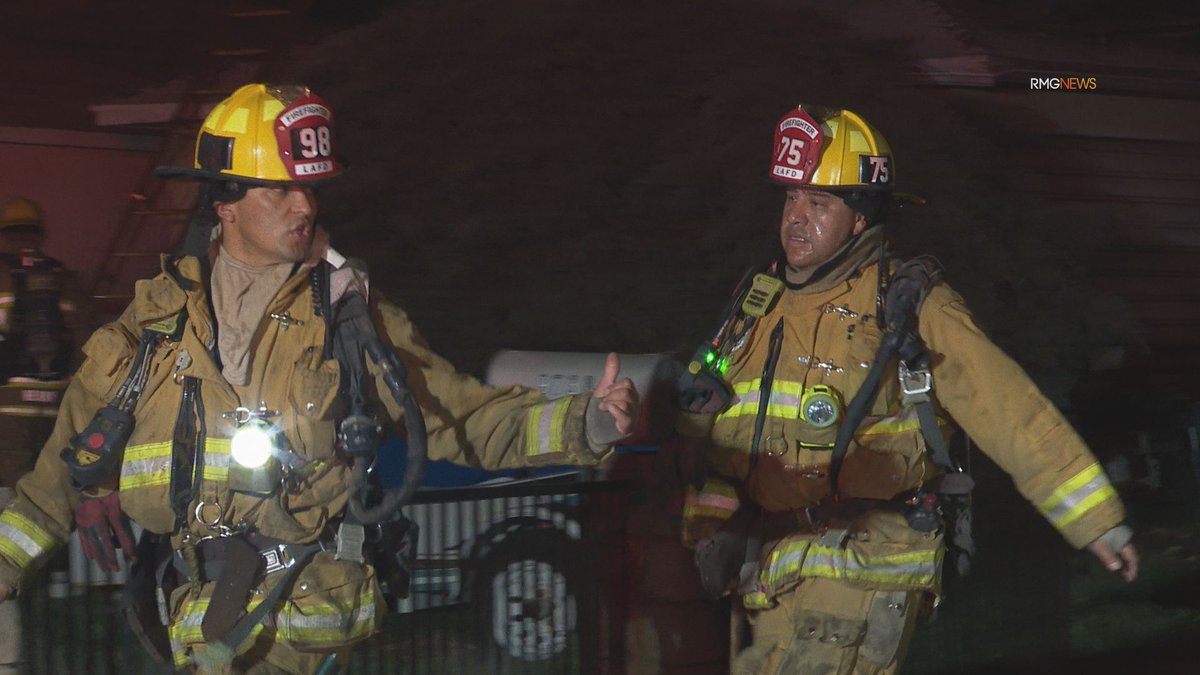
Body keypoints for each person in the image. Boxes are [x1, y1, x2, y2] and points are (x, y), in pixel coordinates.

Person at [0, 83, 638, 674]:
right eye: (279, 189)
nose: (303, 204)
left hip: (304, 623)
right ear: (224, 201)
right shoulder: (153, 330)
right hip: (200, 626)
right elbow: (56, 480)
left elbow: (456, 417)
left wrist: (586, 421)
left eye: (309, 189)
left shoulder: (344, 317)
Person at [676, 103, 1137, 674]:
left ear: (861, 218)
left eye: (819, 203)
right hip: (768, 573)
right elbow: (712, 426)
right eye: (791, 198)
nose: (796, 216)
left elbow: (1010, 412)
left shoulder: (913, 305)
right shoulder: (760, 304)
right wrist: (706, 528)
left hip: (866, 565)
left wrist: (1097, 521)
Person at [0, 196, 81, 674]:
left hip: (4, 441)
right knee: (47, 553)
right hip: (55, 439)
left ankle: (7, 662)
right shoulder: (66, 281)